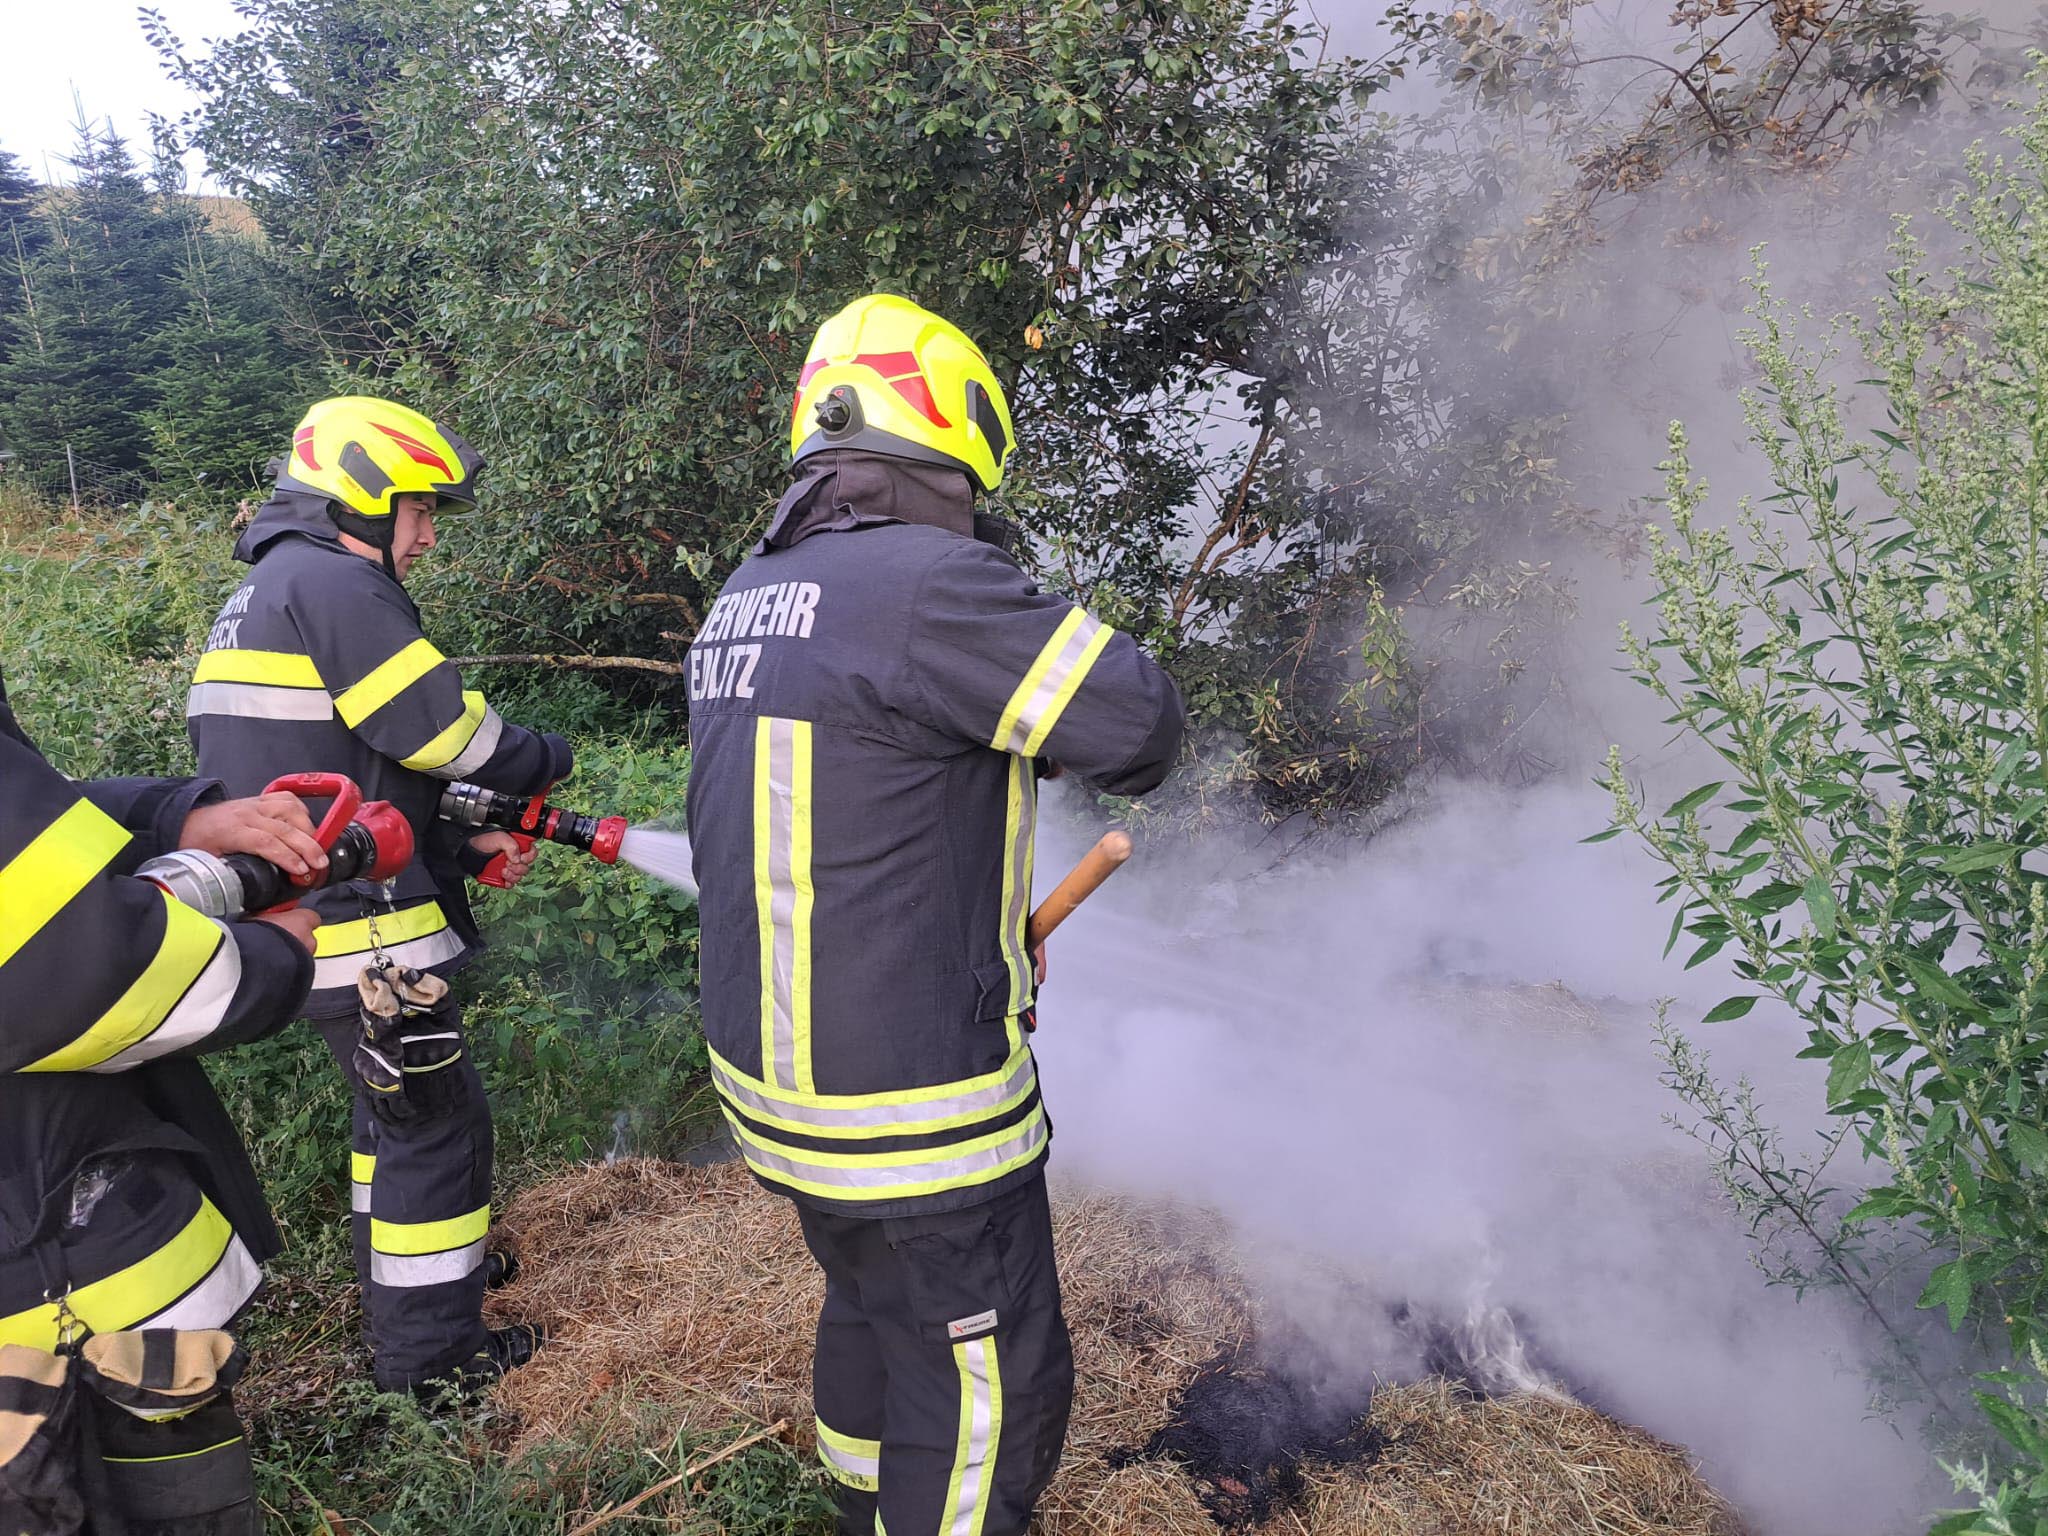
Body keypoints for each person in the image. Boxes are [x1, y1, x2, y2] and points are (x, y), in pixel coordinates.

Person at [684, 294, 1185, 1536]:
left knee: (873, 1310)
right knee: (985, 1395)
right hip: (912, 1112)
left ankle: (865, 1507)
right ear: (951, 434)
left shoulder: (747, 590)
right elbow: (1139, 724)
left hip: (778, 1093)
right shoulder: (931, 584)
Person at [185, 396, 573, 1397]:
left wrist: (454, 839)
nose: (428, 534)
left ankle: (413, 1285)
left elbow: (344, 762)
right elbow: (442, 734)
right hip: (367, 931)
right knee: (436, 1128)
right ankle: (434, 1364)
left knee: (387, 1121)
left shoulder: (268, 589)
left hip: (316, 915)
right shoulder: (337, 583)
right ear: (359, 498)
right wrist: (545, 760)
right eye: (419, 508)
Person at [0, 664, 321, 1533]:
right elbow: (76, 975)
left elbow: (27, 835)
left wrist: (168, 818)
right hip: (68, 1312)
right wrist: (271, 959)